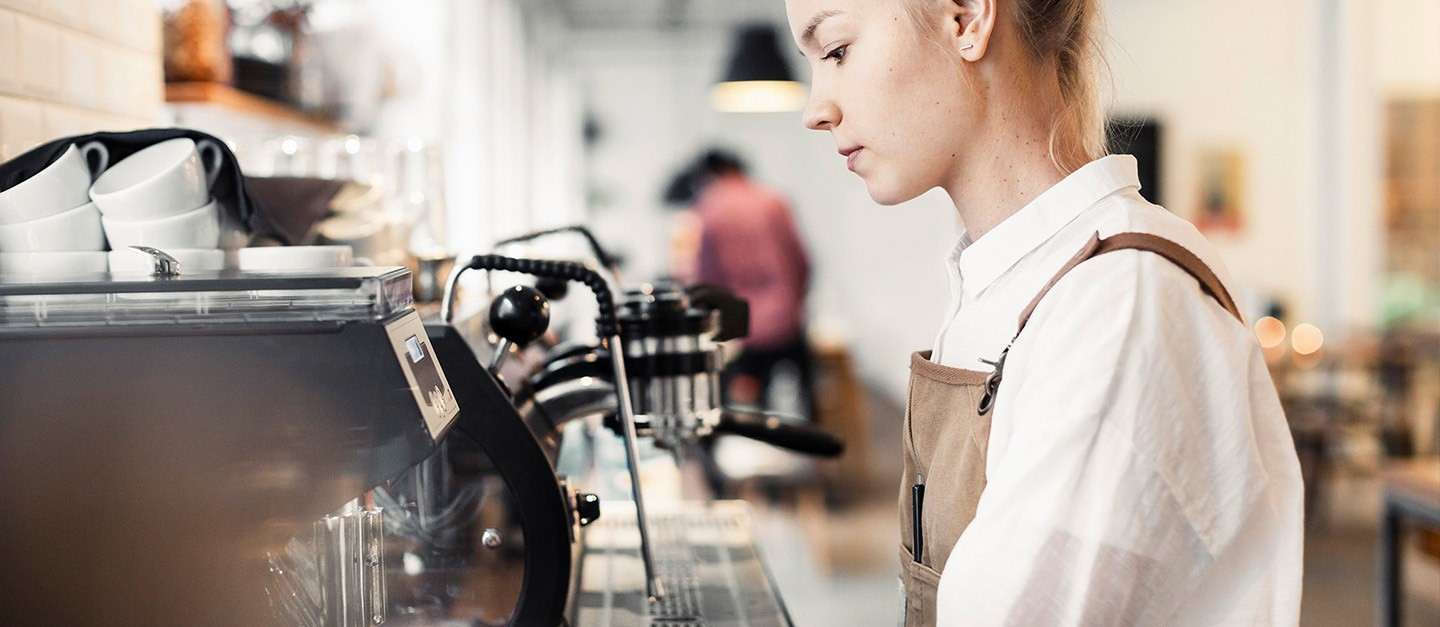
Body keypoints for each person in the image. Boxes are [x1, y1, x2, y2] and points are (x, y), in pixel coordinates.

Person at [782, 1, 1303, 626]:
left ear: (967, 18)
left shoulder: (1119, 303)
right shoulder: (1006, 279)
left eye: (837, 51)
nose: (817, 109)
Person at [676, 149, 815, 418]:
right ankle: (817, 453)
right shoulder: (773, 201)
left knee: (746, 406)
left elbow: (707, 279)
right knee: (806, 398)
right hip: (787, 321)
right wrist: (796, 304)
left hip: (742, 330)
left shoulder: (708, 210)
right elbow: (802, 261)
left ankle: (758, 449)